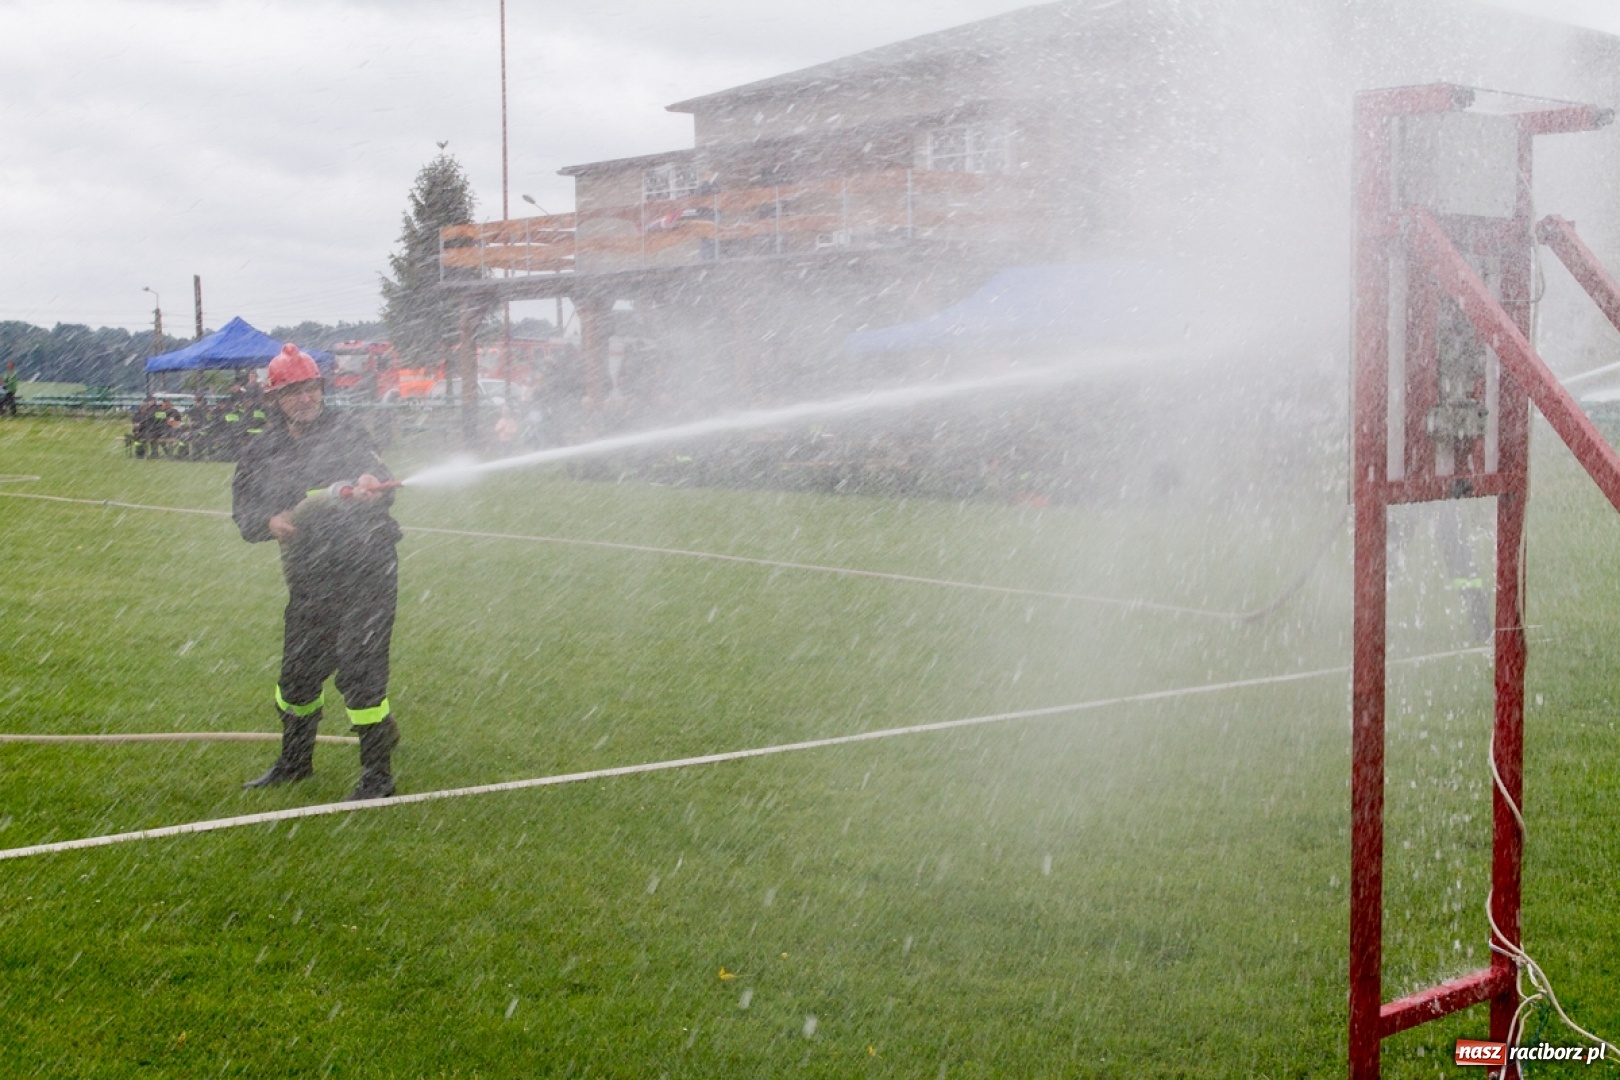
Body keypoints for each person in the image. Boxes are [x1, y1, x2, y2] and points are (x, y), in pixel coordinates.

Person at [231, 343, 404, 799]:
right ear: (274, 399)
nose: (304, 399)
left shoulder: (348, 433)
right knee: (298, 675)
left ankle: (377, 777)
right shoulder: (260, 452)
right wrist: (269, 521)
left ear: (321, 390)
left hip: (366, 565)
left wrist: (371, 485)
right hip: (310, 574)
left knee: (360, 669)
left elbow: (379, 480)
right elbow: (244, 514)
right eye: (292, 392)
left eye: (310, 389)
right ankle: (294, 762)